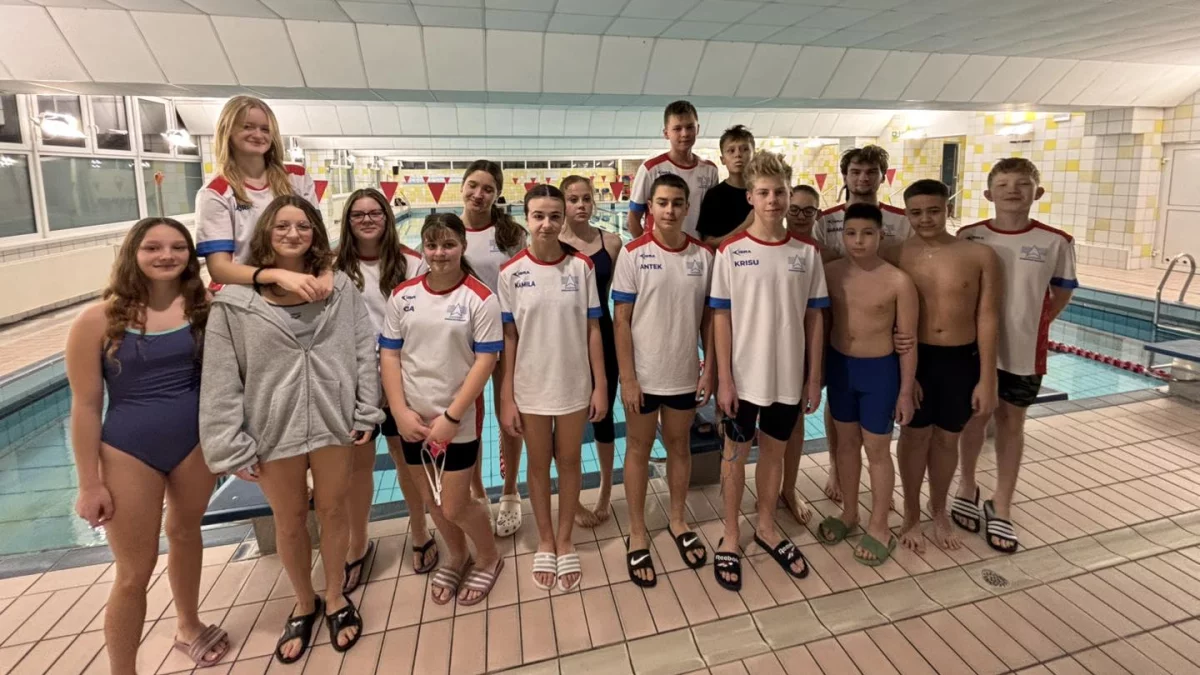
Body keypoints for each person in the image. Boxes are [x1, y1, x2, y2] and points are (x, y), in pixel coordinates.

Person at [200, 196, 381, 662]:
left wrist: (366, 409)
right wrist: (228, 444)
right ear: (266, 232)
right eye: (282, 225)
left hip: (334, 419)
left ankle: (335, 595)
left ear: (315, 232)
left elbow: (363, 349)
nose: (293, 233)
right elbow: (221, 378)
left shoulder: (339, 288)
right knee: (290, 519)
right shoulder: (235, 302)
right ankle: (304, 602)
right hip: (272, 426)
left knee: (334, 510)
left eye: (302, 225)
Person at [67, 218, 228, 673]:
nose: (166, 256)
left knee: (186, 532)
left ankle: (189, 625)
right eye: (153, 247)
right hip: (128, 450)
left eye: (178, 247)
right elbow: (85, 407)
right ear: (132, 253)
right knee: (134, 571)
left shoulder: (206, 309)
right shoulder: (96, 320)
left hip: (195, 443)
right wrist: (89, 483)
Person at [709, 151, 825, 592]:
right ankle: (730, 534)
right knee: (733, 457)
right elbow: (721, 317)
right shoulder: (731, 251)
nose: (773, 200)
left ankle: (766, 527)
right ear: (751, 198)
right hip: (743, 380)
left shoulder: (806, 253)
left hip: (787, 377)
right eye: (764, 193)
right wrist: (724, 379)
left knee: (774, 455)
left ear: (789, 194)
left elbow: (814, 317)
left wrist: (813, 378)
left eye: (780, 192)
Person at [379, 213, 505, 606]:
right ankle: (457, 554)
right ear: (423, 248)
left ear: (463, 246)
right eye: (432, 245)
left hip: (457, 421)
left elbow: (485, 361)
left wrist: (451, 417)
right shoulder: (403, 296)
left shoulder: (480, 298)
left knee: (454, 504)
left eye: (448, 244)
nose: (439, 253)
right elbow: (389, 355)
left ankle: (488, 556)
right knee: (432, 502)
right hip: (412, 420)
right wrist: (399, 412)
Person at [955, 158, 1077, 554]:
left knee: (1012, 423)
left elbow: (1062, 291)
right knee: (974, 419)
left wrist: (1036, 322)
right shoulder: (969, 236)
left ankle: (1002, 502)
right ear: (988, 194)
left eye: (1022, 184)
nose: (1012, 190)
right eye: (1003, 184)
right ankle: (967, 485)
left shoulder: (1056, 241)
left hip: (1023, 352)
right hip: (974, 350)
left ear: (1037, 192)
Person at [498, 185, 607, 593]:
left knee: (570, 460)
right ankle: (545, 538)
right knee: (538, 463)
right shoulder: (511, 273)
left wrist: (600, 384)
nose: (546, 224)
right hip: (530, 385)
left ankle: (565, 540)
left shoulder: (581, 267)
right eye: (538, 216)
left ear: (563, 219)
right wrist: (507, 395)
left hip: (573, 382)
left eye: (554, 216)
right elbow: (509, 337)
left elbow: (593, 328)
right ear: (526, 218)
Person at [612, 174, 714, 587]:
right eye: (662, 203)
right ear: (650, 208)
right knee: (638, 449)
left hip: (684, 374)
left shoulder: (703, 256)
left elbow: (709, 319)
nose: (669, 210)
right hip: (644, 375)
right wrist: (628, 378)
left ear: (687, 208)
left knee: (679, 447)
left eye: (677, 203)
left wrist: (711, 367)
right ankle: (637, 530)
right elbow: (621, 321)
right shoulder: (633, 254)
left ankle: (676, 519)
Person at [334, 188, 437, 588]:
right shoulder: (334, 267)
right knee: (358, 469)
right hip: (352, 382)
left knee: (407, 461)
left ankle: (420, 531)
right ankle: (358, 542)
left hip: (401, 378)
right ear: (348, 221)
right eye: (358, 214)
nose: (367, 219)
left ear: (387, 217)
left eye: (374, 212)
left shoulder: (412, 262)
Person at [890, 179, 1000, 553]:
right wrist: (903, 372)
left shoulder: (979, 256)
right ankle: (910, 513)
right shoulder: (895, 253)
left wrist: (987, 378)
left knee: (947, 438)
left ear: (947, 209)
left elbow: (987, 317)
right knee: (913, 437)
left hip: (960, 359)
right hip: (915, 359)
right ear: (906, 213)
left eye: (933, 211)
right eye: (916, 212)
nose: (925, 219)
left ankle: (938, 509)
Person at [818, 203, 918, 567]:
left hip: (879, 373)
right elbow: (821, 324)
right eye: (851, 233)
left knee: (877, 450)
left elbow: (908, 341)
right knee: (845, 445)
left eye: (867, 234)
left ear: (881, 235)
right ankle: (849, 513)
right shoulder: (830, 273)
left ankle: (880, 526)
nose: (858, 241)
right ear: (842, 235)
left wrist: (905, 390)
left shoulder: (898, 281)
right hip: (841, 369)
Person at [814, 145, 913, 503]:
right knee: (837, 410)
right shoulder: (826, 221)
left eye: (871, 172)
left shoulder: (900, 221)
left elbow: (910, 270)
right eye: (855, 171)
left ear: (882, 177)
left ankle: (880, 501)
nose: (863, 178)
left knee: (877, 437)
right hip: (840, 331)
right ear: (845, 175)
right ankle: (836, 468)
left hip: (882, 334)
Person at [195, 95, 328, 300]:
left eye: (265, 129)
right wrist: (277, 275)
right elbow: (219, 269)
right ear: (227, 131)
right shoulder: (216, 193)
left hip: (298, 286)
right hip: (247, 293)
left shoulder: (296, 176)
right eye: (247, 127)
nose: (258, 135)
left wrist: (326, 273)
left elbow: (318, 237)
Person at [459, 160, 528, 538]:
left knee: (508, 414)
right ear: (462, 187)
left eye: (488, 188)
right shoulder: (448, 230)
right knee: (468, 417)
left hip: (505, 334)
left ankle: (510, 491)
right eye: (473, 185)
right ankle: (477, 494)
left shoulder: (511, 234)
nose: (479, 194)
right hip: (462, 340)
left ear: (497, 193)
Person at [558, 175, 623, 528]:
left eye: (586, 198)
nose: (581, 205)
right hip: (564, 340)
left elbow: (613, 293)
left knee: (604, 416)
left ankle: (605, 489)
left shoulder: (611, 242)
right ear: (563, 203)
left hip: (603, 333)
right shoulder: (551, 242)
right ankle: (573, 497)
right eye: (573, 199)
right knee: (564, 420)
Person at [628, 100, 719, 238]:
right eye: (677, 129)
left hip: (696, 248)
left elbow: (712, 218)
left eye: (690, 127)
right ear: (666, 133)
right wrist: (646, 248)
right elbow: (633, 219)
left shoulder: (710, 170)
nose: (685, 134)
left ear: (698, 129)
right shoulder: (651, 169)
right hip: (659, 249)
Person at [696, 124, 756, 247]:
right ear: (722, 159)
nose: (738, 155)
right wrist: (745, 226)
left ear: (754, 155)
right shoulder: (714, 196)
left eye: (745, 149)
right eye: (731, 150)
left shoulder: (764, 193)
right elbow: (708, 244)